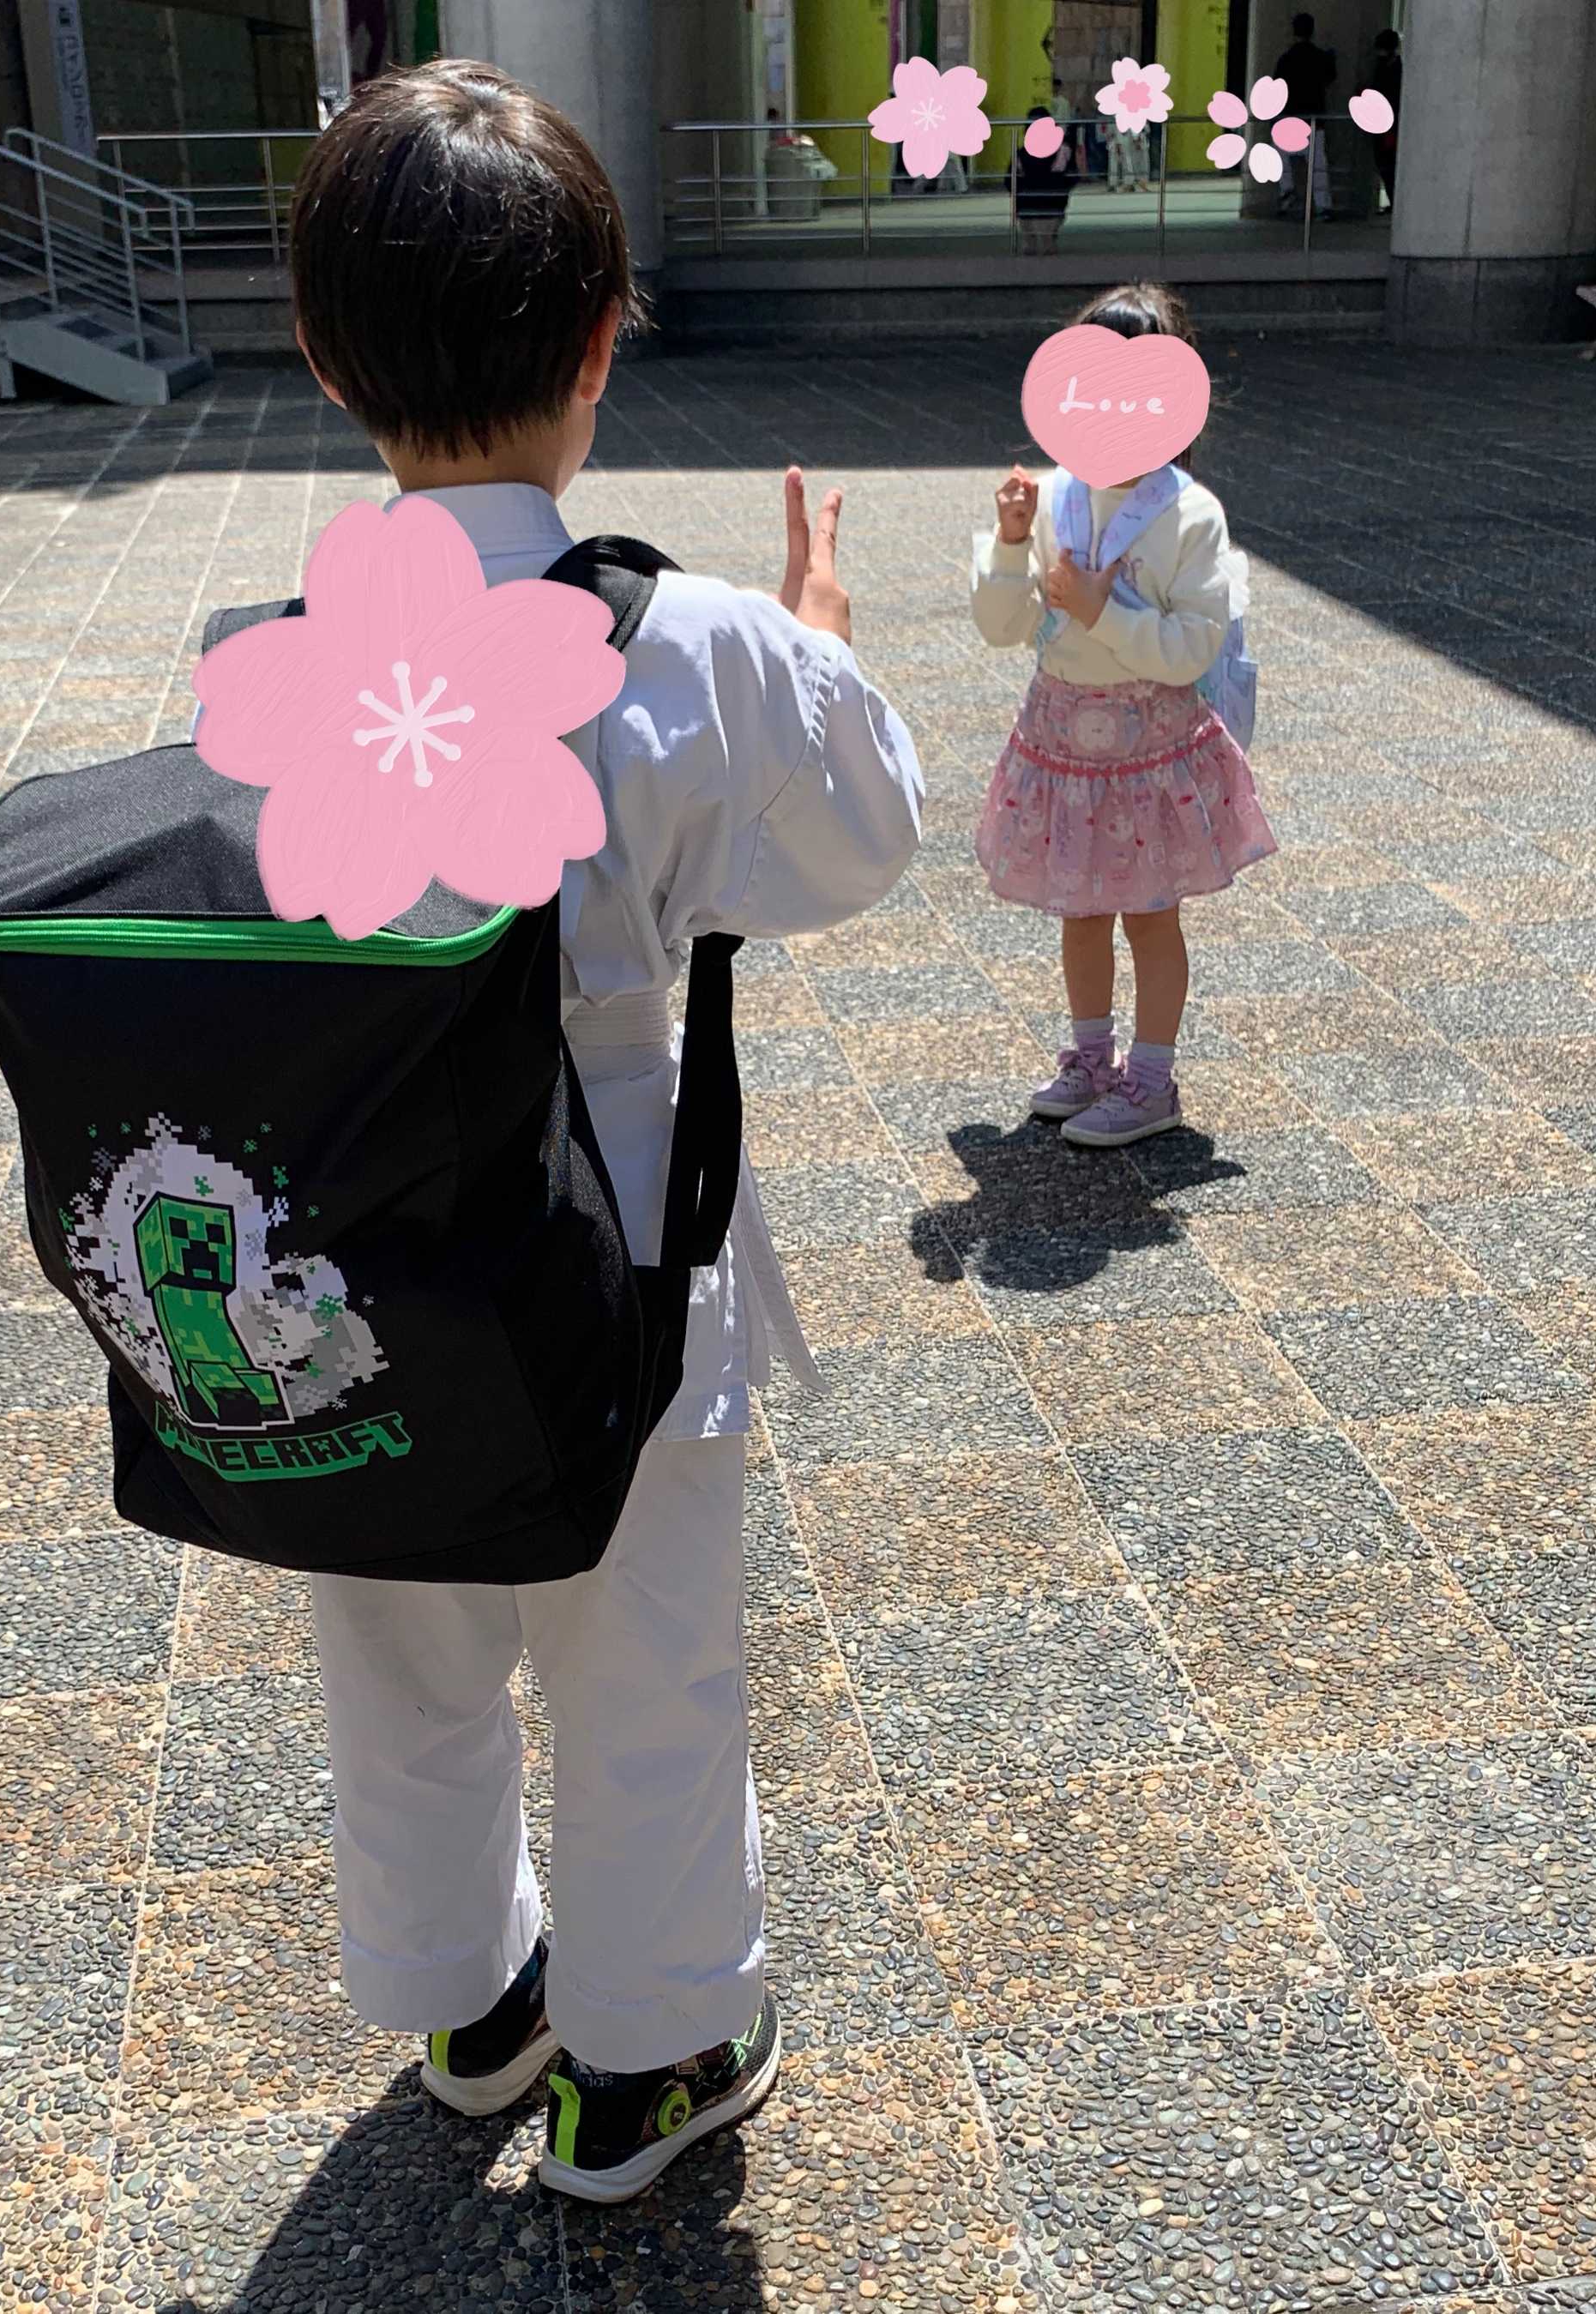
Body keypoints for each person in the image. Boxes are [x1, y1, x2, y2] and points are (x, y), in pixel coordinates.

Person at [286, 61, 923, 2202]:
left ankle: (472, 2003)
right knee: (641, 1665)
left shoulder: (278, 658)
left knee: (405, 1646)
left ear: (325, 355)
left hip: (351, 1265)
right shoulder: (692, 640)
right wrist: (818, 642)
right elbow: (854, 844)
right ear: (596, 341)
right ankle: (644, 2061)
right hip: (619, 1251)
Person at [970, 281, 1275, 1148]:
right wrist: (1008, 545)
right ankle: (1090, 1059)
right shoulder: (1053, 497)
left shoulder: (1189, 514)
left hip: (1150, 747)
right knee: (1079, 908)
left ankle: (1150, 1077)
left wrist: (1100, 609)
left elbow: (1190, 648)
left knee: (1148, 913)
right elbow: (1002, 628)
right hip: (1063, 738)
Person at [1274, 10, 1335, 219]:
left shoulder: (1286, 59)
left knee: (1281, 159)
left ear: (1293, 32)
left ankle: (1287, 192)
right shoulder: (1321, 58)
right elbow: (1330, 78)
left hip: (1289, 119)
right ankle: (1323, 206)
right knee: (1318, 166)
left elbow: (1277, 88)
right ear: (1313, 31)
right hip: (1313, 120)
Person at [1015, 103, 1075, 253]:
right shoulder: (1063, 150)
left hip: (1026, 205)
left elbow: (1010, 181)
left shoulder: (1020, 154)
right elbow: (1072, 176)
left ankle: (1030, 240)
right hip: (1053, 203)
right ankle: (1049, 238)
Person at [1369, 28, 1401, 211]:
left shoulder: (1396, 70)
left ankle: (1395, 201)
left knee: (1389, 166)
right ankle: (1393, 200)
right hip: (1380, 125)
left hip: (1391, 125)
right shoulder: (1383, 68)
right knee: (1384, 165)